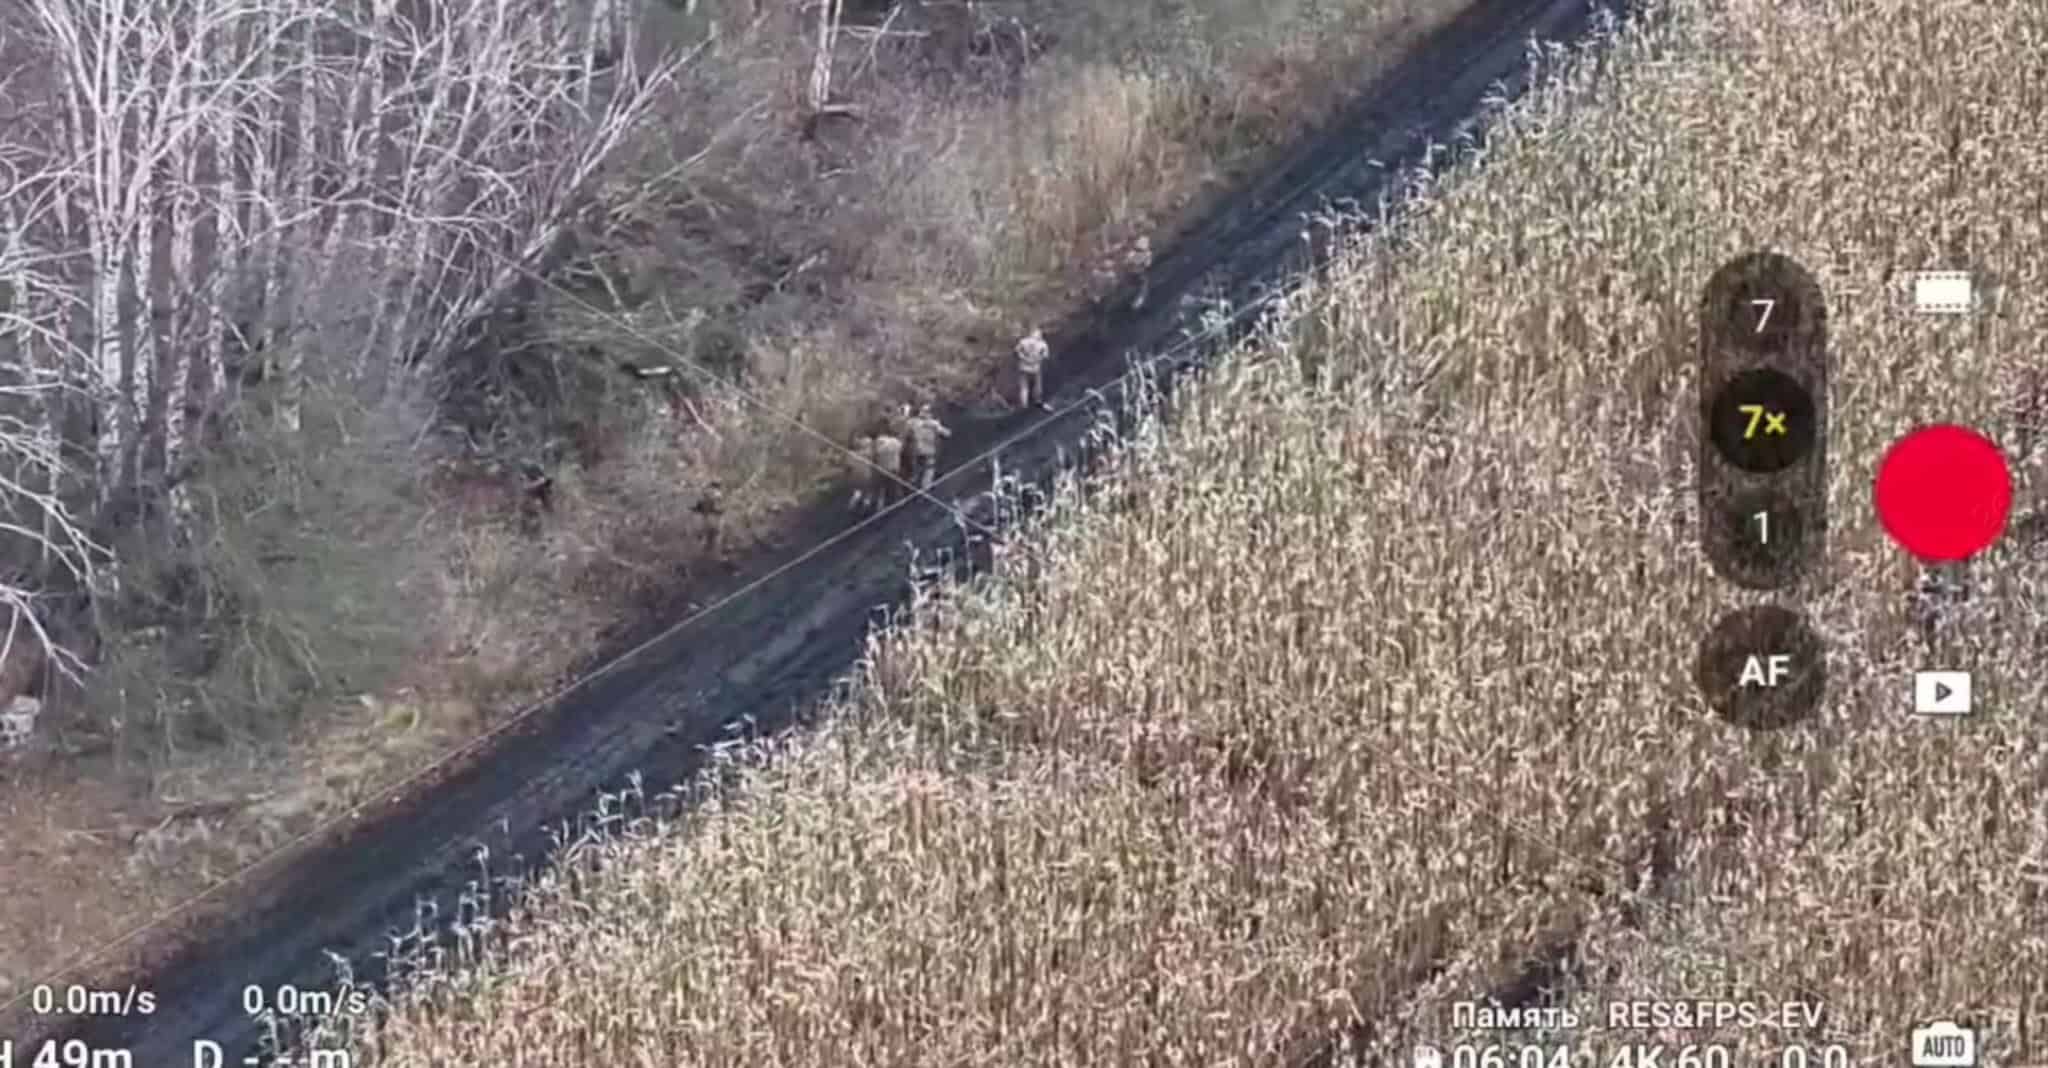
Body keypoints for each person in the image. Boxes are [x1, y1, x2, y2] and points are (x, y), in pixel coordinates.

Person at [906, 403, 950, 490]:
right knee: (928, 470)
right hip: (927, 451)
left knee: (919, 470)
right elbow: (947, 433)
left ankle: (915, 483)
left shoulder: (912, 422)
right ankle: (924, 488)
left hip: (918, 451)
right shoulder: (934, 424)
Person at [1015, 328, 1050, 411]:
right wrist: (1037, 359)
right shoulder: (1042, 344)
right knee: (1037, 385)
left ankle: (1024, 405)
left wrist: (1023, 358)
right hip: (1035, 368)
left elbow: (1016, 351)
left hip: (1023, 367)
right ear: (1039, 335)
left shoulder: (1023, 341)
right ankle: (1037, 401)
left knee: (1024, 387)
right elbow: (1046, 356)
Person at [871, 430, 905, 506]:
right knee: (892, 488)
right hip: (893, 468)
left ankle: (878, 506)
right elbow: (901, 451)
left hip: (881, 468)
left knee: (880, 489)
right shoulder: (896, 442)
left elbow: (875, 454)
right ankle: (891, 505)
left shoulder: (878, 441)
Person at [694, 479, 725, 557]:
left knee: (709, 533)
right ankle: (713, 552)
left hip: (709, 517)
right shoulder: (717, 494)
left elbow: (701, 505)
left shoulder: (710, 493)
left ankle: (707, 549)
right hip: (713, 517)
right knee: (713, 534)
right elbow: (719, 508)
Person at [849, 434, 877, 514]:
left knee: (857, 491)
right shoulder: (868, 452)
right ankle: (865, 507)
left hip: (855, 476)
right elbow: (873, 460)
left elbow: (849, 467)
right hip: (866, 475)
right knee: (868, 492)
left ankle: (851, 506)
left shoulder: (851, 454)